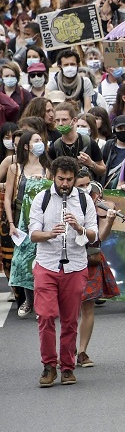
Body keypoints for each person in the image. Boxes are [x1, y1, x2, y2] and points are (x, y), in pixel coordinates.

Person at [29, 156, 98, 387]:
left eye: (69, 179)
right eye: (61, 179)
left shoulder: (84, 200)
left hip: (75, 265)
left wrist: (79, 227)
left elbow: (94, 234)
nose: (65, 184)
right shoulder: (43, 198)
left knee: (69, 320)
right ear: (53, 176)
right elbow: (33, 234)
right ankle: (49, 365)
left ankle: (67, 367)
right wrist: (50, 234)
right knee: (46, 316)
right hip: (47, 264)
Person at [75, 174, 120, 368]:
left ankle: (82, 351)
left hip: (90, 258)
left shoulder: (97, 206)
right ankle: (66, 350)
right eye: (81, 185)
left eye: (88, 185)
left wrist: (109, 221)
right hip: (67, 258)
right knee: (66, 309)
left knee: (87, 306)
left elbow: (99, 237)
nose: (86, 189)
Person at [6, 129, 49, 316]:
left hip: (42, 222)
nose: (41, 143)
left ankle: (40, 303)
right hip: (21, 222)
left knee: (40, 263)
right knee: (23, 262)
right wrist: (11, 223)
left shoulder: (48, 169)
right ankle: (28, 301)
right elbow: (8, 198)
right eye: (36, 140)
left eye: (41, 140)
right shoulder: (15, 168)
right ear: (26, 146)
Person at [49, 104, 106, 181]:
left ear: (74, 120)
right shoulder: (55, 146)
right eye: (57, 120)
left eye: (64, 120)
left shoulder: (89, 142)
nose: (60, 123)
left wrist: (91, 163)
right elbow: (50, 174)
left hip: (86, 187)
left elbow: (103, 170)